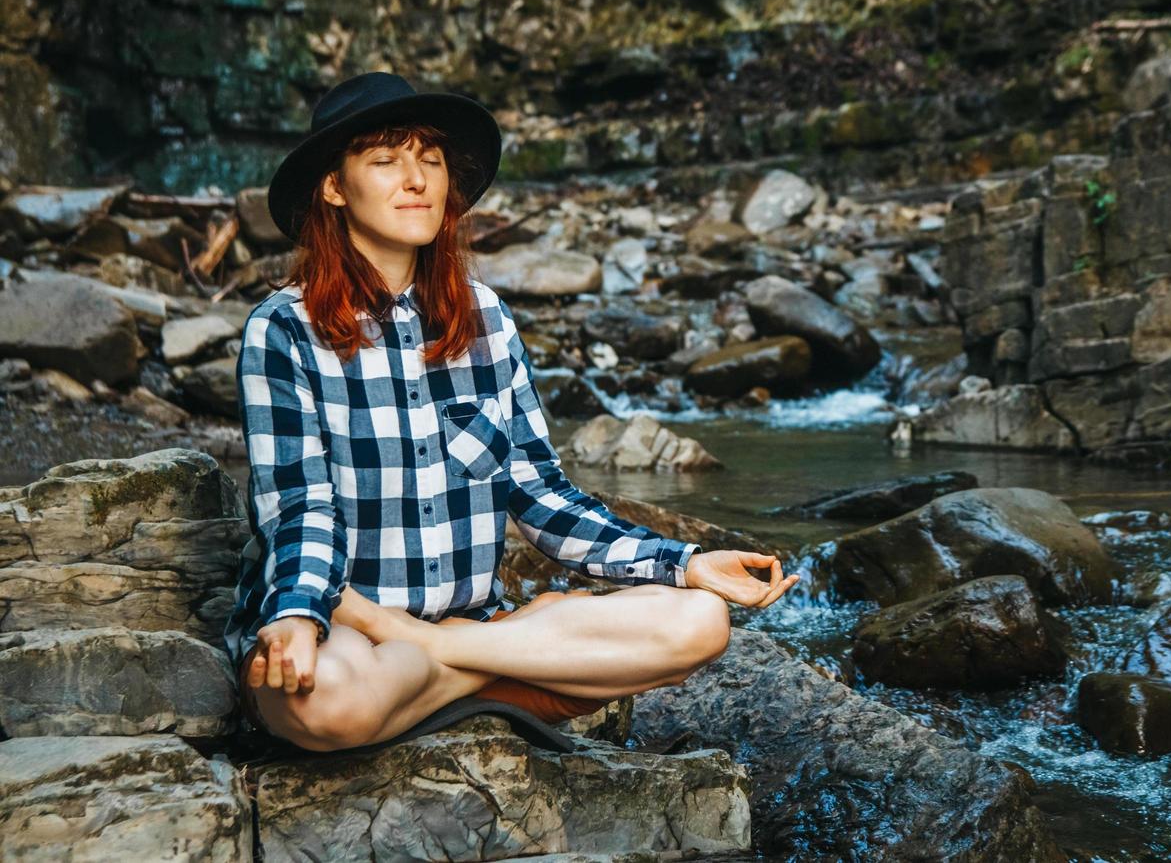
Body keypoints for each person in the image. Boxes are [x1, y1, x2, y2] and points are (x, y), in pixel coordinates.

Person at [222, 72, 800, 752]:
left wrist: (684, 561)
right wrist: (295, 614)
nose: (416, 181)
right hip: (352, 633)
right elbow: (302, 512)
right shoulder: (283, 330)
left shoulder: (486, 319)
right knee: (322, 704)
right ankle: (497, 668)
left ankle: (453, 658)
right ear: (334, 186)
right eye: (385, 161)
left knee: (701, 621)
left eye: (430, 161)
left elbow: (538, 493)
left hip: (465, 626)